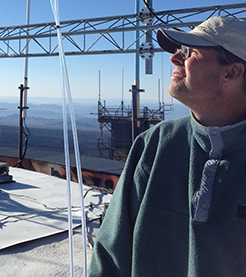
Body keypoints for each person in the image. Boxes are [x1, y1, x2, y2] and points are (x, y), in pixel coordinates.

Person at [89, 16, 246, 276]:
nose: (174, 58)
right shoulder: (155, 143)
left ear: (230, 72)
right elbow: (110, 253)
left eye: (188, 52)